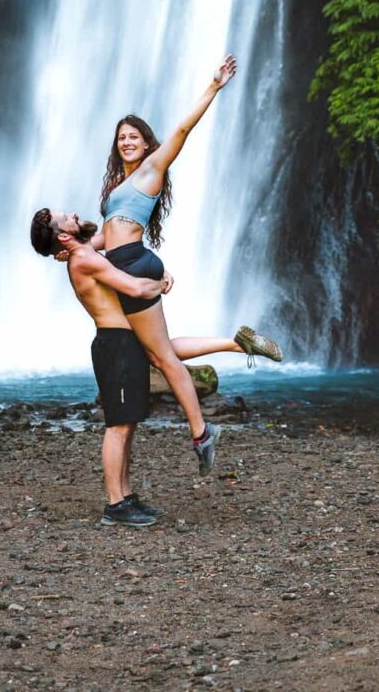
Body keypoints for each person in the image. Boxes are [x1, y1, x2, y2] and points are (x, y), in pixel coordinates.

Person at [31, 209, 279, 523]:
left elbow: (108, 237)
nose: (74, 213)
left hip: (124, 341)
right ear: (63, 235)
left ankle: (127, 496)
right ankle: (114, 505)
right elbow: (134, 288)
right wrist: (160, 282)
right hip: (115, 345)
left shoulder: (83, 252)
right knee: (117, 428)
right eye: (66, 217)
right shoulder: (84, 259)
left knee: (132, 418)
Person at [95, 54, 282, 462]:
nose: (126, 142)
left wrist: (213, 86)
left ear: (147, 143)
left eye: (133, 136)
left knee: (160, 355)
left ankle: (201, 432)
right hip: (124, 261)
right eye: (121, 138)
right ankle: (236, 342)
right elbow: (106, 236)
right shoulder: (118, 184)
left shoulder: (151, 169)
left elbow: (182, 128)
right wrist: (72, 248)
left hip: (131, 262)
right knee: (154, 350)